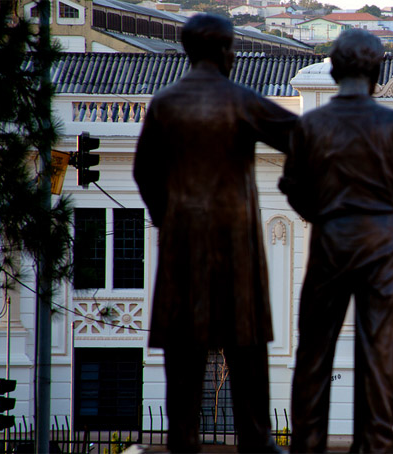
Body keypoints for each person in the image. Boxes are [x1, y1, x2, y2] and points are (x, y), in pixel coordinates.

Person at [133, 13, 295, 453]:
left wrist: (166, 215)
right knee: (246, 341)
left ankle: (183, 439)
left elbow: (143, 170)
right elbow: (301, 137)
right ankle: (256, 439)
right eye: (233, 47)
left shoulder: (165, 102)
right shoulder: (239, 98)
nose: (236, 54)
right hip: (233, 236)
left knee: (183, 344)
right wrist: (293, 185)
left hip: (182, 236)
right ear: (224, 51)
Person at [279, 29, 393, 453]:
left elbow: (292, 186)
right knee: (379, 348)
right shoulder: (392, 122)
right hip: (381, 239)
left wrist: (324, 216)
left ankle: (307, 445)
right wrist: (387, 221)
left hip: (330, 235)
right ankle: (376, 444)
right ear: (377, 70)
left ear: (335, 70)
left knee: (314, 348)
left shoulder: (313, 123)